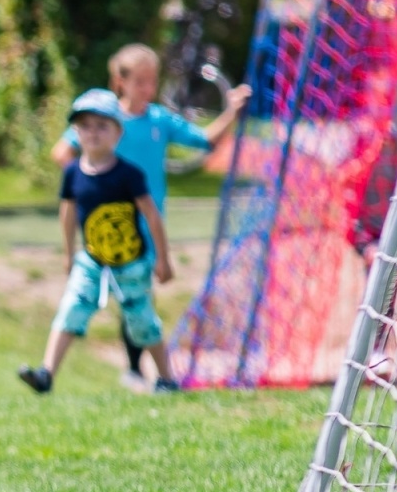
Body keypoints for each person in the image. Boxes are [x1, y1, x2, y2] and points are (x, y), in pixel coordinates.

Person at [49, 42, 250, 385]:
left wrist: (231, 112)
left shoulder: (159, 119)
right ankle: (53, 371)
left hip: (146, 223)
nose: (147, 88)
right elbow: (62, 152)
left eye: (152, 81)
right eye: (140, 81)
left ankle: (137, 369)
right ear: (120, 81)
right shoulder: (102, 121)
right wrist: (92, 186)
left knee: (137, 298)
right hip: (106, 226)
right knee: (88, 296)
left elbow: (205, 141)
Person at [21, 90, 176, 394]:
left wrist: (163, 258)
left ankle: (166, 378)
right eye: (85, 126)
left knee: (142, 322)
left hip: (130, 262)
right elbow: (67, 214)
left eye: (102, 126)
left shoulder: (128, 174)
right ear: (75, 132)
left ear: (118, 133)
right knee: (71, 310)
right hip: (91, 260)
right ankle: (46, 374)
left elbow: (152, 216)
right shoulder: (72, 174)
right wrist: (69, 254)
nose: (93, 133)